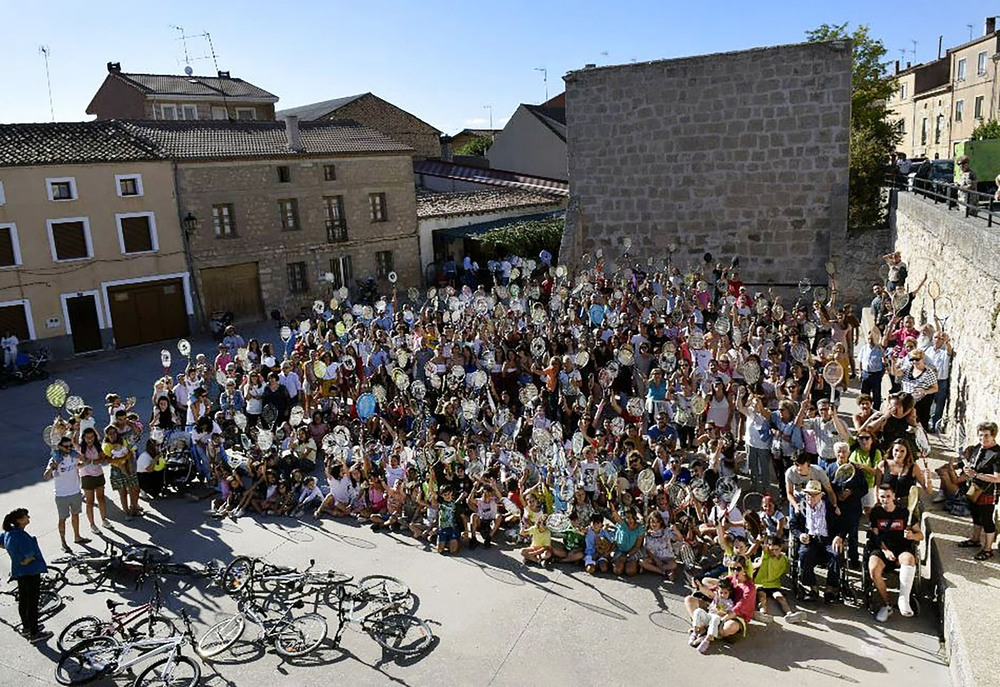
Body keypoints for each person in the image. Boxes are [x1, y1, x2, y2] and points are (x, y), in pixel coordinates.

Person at [868, 482, 923, 621]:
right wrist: (885, 551)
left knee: (909, 560)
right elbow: (875, 535)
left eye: (887, 496)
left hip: (902, 549)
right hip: (882, 549)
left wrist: (912, 536)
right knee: (873, 568)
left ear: (893, 496)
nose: (885, 499)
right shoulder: (875, 513)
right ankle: (887, 604)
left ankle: (903, 600)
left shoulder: (905, 513)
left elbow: (920, 535)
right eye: (882, 497)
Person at [789, 479, 845, 603]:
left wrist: (839, 536)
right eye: (809, 495)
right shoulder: (800, 508)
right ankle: (812, 587)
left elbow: (841, 525)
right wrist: (800, 535)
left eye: (814, 495)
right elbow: (793, 525)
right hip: (810, 539)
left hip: (827, 540)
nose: (811, 498)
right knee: (804, 554)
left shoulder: (829, 507)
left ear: (820, 495)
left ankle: (830, 589)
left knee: (836, 554)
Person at [1, 509, 52, 642]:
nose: (28, 517)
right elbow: (27, 558)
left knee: (23, 600)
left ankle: (27, 627)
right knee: (32, 603)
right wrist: (29, 559)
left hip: (19, 572)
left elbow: (1, 544)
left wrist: (14, 554)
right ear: (19, 520)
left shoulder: (8, 533)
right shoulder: (22, 537)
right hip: (31, 572)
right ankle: (35, 633)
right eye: (25, 516)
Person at [954, 422, 1000, 561]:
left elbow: (997, 478)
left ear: (993, 436)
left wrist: (975, 475)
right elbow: (973, 464)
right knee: (975, 515)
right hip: (974, 488)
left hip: (988, 491)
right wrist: (963, 467)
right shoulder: (979, 447)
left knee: (987, 519)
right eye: (980, 435)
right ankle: (974, 540)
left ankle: (988, 549)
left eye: (986, 436)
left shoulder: (997, 454)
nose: (983, 439)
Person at [43, 437, 89, 552]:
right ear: (59, 447)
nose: (69, 448)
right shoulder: (54, 459)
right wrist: (52, 467)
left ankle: (77, 537)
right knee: (62, 519)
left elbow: (85, 462)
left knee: (75, 515)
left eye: (70, 446)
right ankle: (63, 543)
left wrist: (82, 459)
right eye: (66, 446)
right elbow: (46, 476)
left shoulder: (74, 457)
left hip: (75, 492)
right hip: (61, 495)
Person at [921, 331, 952, 433]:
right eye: (935, 338)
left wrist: (947, 342)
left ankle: (935, 427)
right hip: (929, 381)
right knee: (927, 404)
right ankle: (925, 425)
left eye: (940, 338)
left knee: (939, 405)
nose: (937, 340)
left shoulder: (944, 352)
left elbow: (949, 351)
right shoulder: (928, 351)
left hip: (941, 381)